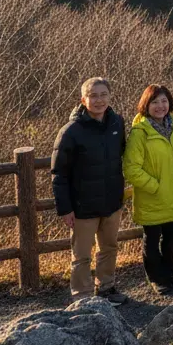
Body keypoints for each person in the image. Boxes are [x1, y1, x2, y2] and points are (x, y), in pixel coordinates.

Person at [51, 77, 129, 303]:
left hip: (111, 201)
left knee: (109, 248)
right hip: (82, 205)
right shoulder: (71, 131)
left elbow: (121, 156)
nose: (99, 100)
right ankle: (83, 298)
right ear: (83, 99)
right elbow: (59, 173)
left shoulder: (117, 123)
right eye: (93, 95)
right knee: (81, 256)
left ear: (110, 96)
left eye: (103, 94)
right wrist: (65, 209)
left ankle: (106, 288)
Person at [123, 84, 173, 293]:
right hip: (152, 196)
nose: (160, 106)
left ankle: (169, 272)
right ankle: (156, 277)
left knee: (170, 237)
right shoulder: (140, 132)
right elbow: (130, 168)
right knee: (152, 240)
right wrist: (154, 185)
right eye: (155, 102)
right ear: (146, 105)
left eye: (164, 101)